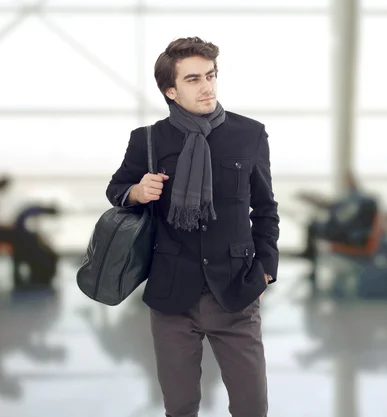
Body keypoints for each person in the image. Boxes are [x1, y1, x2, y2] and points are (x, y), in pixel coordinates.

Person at [106, 37, 279, 417]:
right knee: (180, 407)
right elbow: (116, 189)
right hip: (171, 294)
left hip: (236, 290)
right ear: (171, 90)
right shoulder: (147, 140)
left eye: (211, 75)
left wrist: (266, 270)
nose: (207, 87)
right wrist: (136, 191)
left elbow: (265, 209)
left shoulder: (249, 134)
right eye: (193, 79)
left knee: (252, 408)